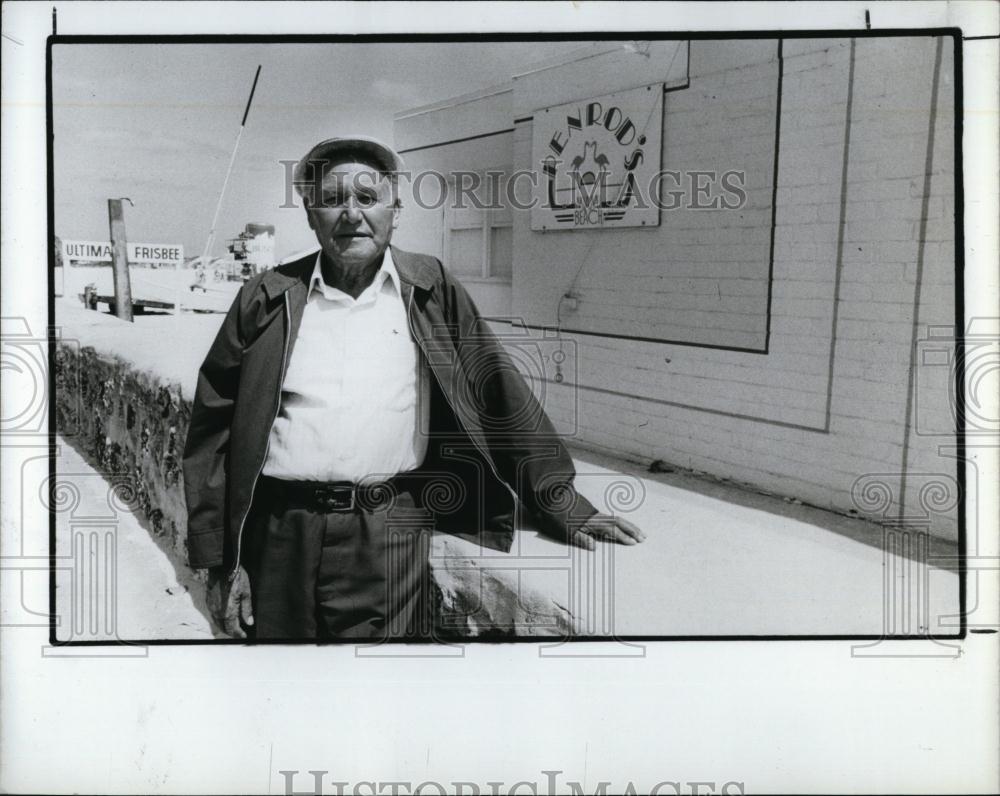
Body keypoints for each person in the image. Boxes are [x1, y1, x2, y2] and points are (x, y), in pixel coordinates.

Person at [182, 135, 645, 641]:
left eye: (367, 198)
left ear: (395, 211)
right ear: (311, 215)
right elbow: (213, 428)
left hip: (387, 532)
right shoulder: (266, 297)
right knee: (280, 689)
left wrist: (560, 499)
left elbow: (496, 390)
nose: (351, 214)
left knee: (375, 692)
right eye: (332, 200)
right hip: (277, 534)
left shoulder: (429, 287)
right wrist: (220, 558)